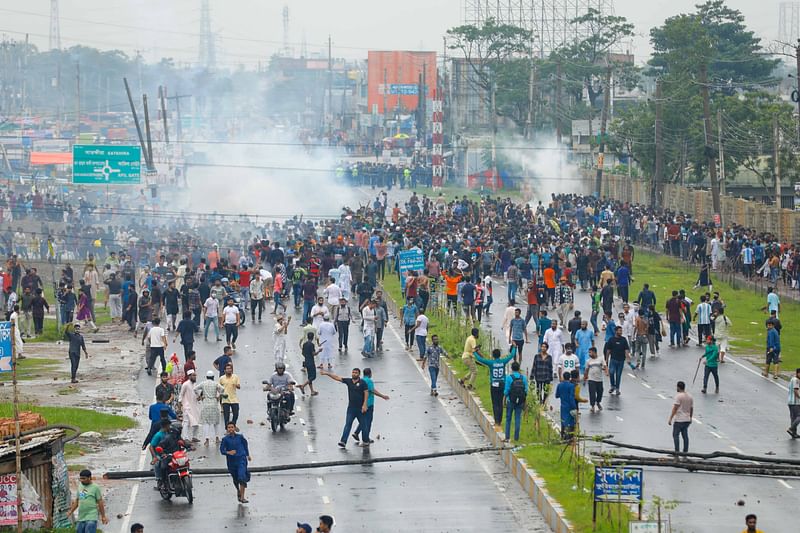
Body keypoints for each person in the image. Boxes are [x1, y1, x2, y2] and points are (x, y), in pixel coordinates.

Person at [320, 367, 368, 448]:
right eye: (353, 372)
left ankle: (366, 440)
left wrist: (365, 404)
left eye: (356, 373)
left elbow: (366, 393)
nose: (354, 374)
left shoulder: (363, 383)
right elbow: (337, 378)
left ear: (359, 374)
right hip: (351, 408)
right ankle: (343, 441)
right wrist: (327, 374)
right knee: (348, 424)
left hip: (360, 408)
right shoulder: (349, 381)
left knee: (364, 425)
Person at [474, 347, 516, 428]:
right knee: (500, 403)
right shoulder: (503, 362)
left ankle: (496, 421)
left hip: (494, 385)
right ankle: (499, 421)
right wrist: (514, 347)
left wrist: (474, 352)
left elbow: (480, 359)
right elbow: (511, 355)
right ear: (500, 355)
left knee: (495, 403)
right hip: (502, 384)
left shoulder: (491, 363)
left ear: (493, 356)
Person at [352, 367, 390, 446]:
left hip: (361, 403)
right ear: (370, 374)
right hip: (369, 404)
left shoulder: (361, 380)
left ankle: (357, 432)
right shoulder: (369, 381)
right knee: (368, 422)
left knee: (363, 420)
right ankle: (366, 439)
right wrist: (382, 396)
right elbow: (372, 390)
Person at [219, 422, 251, 503]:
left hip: (241, 459)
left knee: (241, 477)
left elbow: (245, 445)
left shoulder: (240, 437)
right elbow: (222, 450)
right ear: (227, 429)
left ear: (235, 428)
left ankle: (243, 497)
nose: (230, 429)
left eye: (232, 427)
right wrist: (228, 452)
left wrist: (247, 455)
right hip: (231, 462)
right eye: (229, 427)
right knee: (235, 479)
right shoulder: (225, 439)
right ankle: (238, 490)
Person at [195, 370, 224, 446]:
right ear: (213, 377)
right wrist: (218, 396)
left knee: (206, 423)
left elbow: (195, 389)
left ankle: (207, 440)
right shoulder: (215, 383)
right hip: (214, 404)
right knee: (216, 422)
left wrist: (200, 396)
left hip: (206, 404)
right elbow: (222, 389)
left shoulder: (203, 383)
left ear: (206, 377)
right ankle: (217, 438)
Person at [503, 361, 528, 442]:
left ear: (511, 368)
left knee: (508, 418)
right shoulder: (523, 378)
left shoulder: (509, 377)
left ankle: (507, 437)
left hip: (511, 400)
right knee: (517, 418)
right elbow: (526, 391)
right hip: (520, 401)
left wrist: (504, 400)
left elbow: (506, 391)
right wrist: (524, 401)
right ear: (519, 368)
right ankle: (516, 438)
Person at [604, 326, 631, 396]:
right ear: (616, 331)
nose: (621, 332)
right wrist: (606, 360)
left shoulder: (624, 340)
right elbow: (608, 350)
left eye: (621, 331)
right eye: (619, 331)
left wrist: (628, 358)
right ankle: (612, 385)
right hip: (613, 360)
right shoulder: (611, 340)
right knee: (611, 372)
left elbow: (626, 350)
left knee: (618, 375)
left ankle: (617, 389)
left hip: (621, 360)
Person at [668, 380, 693, 454]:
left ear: (678, 387)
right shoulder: (690, 396)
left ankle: (677, 452)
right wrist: (690, 417)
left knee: (675, 435)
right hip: (687, 419)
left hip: (679, 420)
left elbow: (675, 408)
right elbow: (691, 408)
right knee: (685, 436)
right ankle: (685, 451)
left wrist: (670, 418)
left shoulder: (679, 396)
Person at [583, 347, 607, 412]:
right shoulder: (588, 361)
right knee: (592, 393)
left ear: (594, 352)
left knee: (600, 392)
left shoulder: (601, 359)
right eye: (589, 352)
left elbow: (605, 366)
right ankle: (592, 406)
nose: (589, 354)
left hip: (599, 379)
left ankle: (598, 402)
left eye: (590, 352)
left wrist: (607, 372)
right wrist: (585, 379)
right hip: (591, 379)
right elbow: (586, 371)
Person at [179, 369, 201, 442]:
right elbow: (181, 395)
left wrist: (199, 397)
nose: (195, 377)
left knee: (196, 422)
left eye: (195, 375)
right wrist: (180, 405)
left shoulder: (195, 384)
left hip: (195, 406)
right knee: (186, 422)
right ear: (189, 376)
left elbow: (198, 395)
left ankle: (194, 437)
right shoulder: (185, 384)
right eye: (193, 375)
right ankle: (185, 438)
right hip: (187, 407)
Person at [555, 372, 577, 441]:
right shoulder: (571, 386)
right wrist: (574, 406)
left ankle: (563, 436)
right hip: (570, 406)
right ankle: (570, 437)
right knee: (571, 422)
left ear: (563, 377)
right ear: (569, 377)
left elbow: (557, 395)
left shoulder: (559, 385)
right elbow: (571, 397)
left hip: (563, 405)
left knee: (563, 421)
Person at [219, 363, 241, 427]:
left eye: (230, 368)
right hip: (225, 399)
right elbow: (219, 388)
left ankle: (233, 425)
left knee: (236, 414)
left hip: (234, 399)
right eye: (227, 369)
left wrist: (236, 385)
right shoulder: (221, 378)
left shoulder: (235, 377)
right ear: (225, 370)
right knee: (226, 416)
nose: (229, 370)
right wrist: (220, 395)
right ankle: (227, 429)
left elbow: (239, 386)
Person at [788, 368, 800, 438]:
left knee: (793, 417)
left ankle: (794, 433)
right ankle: (791, 429)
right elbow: (796, 391)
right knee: (798, 416)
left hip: (790, 401)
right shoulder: (796, 380)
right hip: (795, 402)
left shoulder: (793, 379)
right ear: (798, 373)